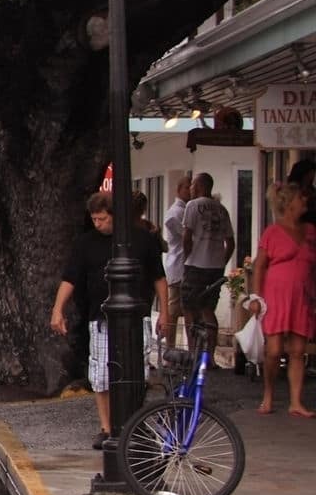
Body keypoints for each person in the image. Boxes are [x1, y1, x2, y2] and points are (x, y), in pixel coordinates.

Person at [51, 190, 170, 451]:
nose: (98, 224)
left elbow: (159, 278)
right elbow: (70, 278)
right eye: (94, 219)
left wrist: (165, 311)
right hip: (100, 317)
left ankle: (132, 423)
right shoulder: (86, 243)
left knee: (136, 373)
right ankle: (106, 427)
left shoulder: (142, 240)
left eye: (103, 219)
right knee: (101, 375)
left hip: (136, 316)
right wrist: (57, 309)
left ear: (116, 216)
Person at [247, 181, 316, 416]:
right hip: (276, 296)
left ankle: (295, 402)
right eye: (300, 197)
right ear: (289, 204)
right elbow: (259, 266)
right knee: (274, 350)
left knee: (297, 350)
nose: (305, 200)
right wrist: (255, 297)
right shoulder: (272, 232)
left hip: (302, 296)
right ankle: (268, 395)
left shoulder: (310, 230)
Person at [181, 171, 234, 359]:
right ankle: (209, 356)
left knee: (189, 307)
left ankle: (192, 353)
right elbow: (231, 243)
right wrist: (221, 261)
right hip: (215, 268)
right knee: (208, 309)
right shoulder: (222, 209)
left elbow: (187, 237)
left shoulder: (192, 206)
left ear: (200, 186)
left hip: (195, 265)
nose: (191, 188)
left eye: (193, 184)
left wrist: (186, 257)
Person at [161, 174, 190, 351]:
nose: (190, 191)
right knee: (173, 309)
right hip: (178, 265)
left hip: (186, 266)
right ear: (179, 189)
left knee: (188, 309)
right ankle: (170, 347)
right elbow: (187, 237)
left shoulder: (188, 209)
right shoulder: (175, 213)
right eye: (187, 187)